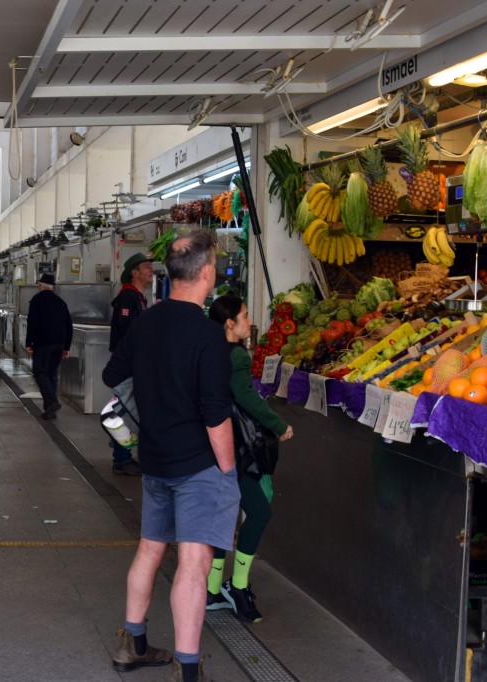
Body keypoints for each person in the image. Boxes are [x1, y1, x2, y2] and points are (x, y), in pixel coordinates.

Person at [102, 231, 240, 682]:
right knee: (194, 563)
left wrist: (152, 398)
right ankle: (188, 670)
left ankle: (132, 644)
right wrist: (228, 470)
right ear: (207, 273)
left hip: (155, 458)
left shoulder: (147, 321)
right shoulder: (208, 335)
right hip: (198, 465)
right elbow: (216, 415)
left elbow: (112, 373)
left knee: (150, 548)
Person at [205, 295, 293, 623]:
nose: (249, 321)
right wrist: (279, 424)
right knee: (259, 511)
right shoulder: (237, 354)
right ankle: (238, 586)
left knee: (221, 516)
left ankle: (212, 589)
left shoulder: (208, 350)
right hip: (234, 448)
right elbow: (244, 396)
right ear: (229, 323)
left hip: (208, 445)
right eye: (244, 315)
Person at [108, 252, 154, 476]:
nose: (151, 271)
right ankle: (121, 459)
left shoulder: (137, 297)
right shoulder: (128, 297)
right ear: (134, 273)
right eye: (146, 267)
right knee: (125, 410)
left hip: (133, 363)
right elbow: (129, 333)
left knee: (129, 409)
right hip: (128, 365)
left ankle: (124, 455)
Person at [25, 273, 73, 419]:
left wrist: (28, 343)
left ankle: (52, 401)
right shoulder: (61, 302)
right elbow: (69, 326)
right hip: (59, 343)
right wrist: (66, 347)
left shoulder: (37, 300)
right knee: (52, 374)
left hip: (43, 343)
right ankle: (50, 410)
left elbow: (32, 323)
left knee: (40, 372)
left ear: (40, 286)